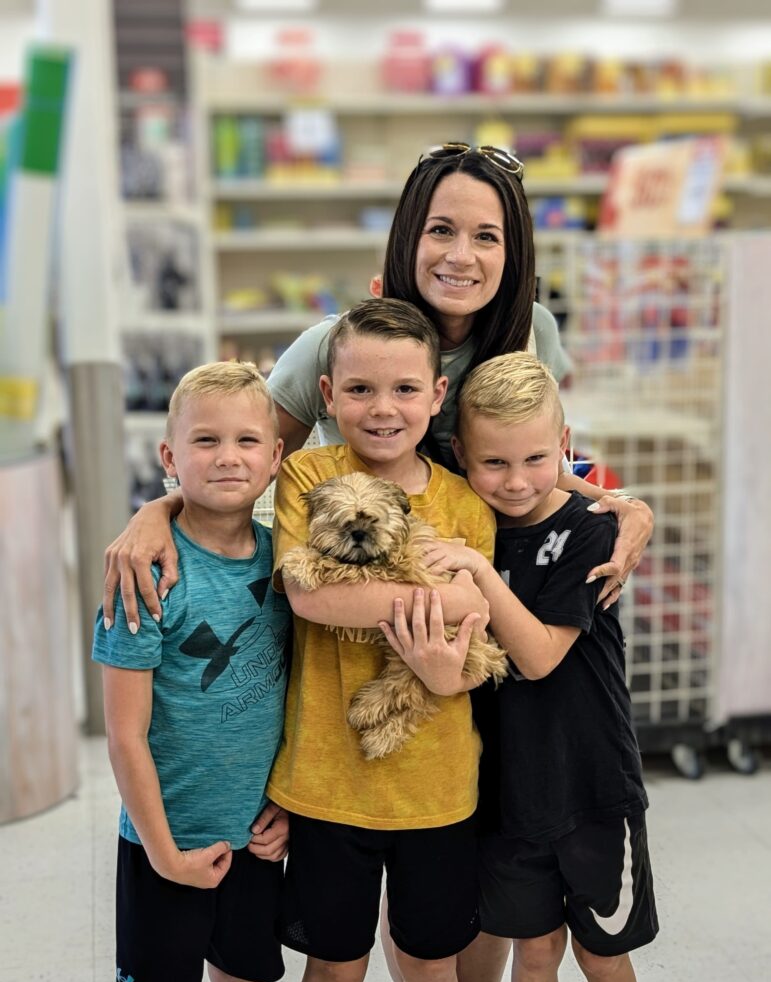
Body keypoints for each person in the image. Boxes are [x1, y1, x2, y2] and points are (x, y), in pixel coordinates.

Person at [101, 142, 652, 632]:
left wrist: (619, 503)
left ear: (513, 255)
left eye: (486, 236)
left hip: (501, 593)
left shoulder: (534, 332)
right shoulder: (334, 347)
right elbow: (248, 459)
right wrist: (160, 511)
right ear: (409, 238)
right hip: (362, 599)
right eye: (441, 230)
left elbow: (535, 465)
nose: (461, 256)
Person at [380, 351, 657, 982]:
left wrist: (478, 571)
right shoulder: (466, 528)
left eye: (535, 459)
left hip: (592, 785)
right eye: (493, 463)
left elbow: (537, 658)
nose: (514, 481)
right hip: (506, 792)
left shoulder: (589, 531)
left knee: (602, 955)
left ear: (563, 446)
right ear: (460, 456)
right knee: (534, 952)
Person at [268, 298, 494, 982]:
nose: (383, 408)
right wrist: (443, 598)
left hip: (438, 785)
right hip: (326, 780)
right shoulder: (307, 476)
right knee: (333, 966)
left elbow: (474, 633)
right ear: (328, 395)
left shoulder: (467, 505)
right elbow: (310, 596)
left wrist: (455, 616)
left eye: (404, 389)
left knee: (430, 965)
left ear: (437, 395)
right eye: (360, 389)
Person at [92, 362, 292, 982]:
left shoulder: (290, 565)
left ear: (275, 457)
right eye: (206, 440)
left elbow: (298, 699)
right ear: (170, 457)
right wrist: (164, 854)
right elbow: (124, 735)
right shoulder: (143, 575)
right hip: (164, 841)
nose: (228, 457)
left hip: (254, 839)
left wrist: (287, 806)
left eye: (246, 440)